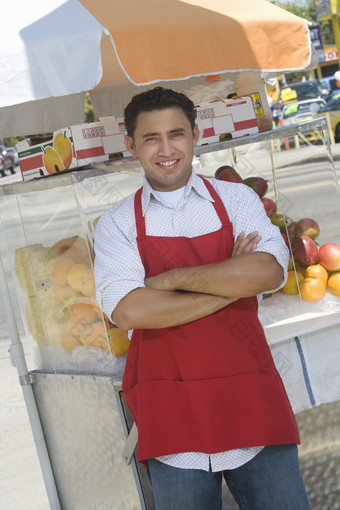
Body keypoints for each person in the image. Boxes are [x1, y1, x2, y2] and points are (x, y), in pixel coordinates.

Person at [94, 87, 310, 510]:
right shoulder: (116, 223)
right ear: (131, 145)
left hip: (250, 394)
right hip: (170, 408)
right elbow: (130, 310)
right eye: (151, 138)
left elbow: (267, 271)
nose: (166, 149)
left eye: (176, 134)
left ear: (195, 134)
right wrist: (231, 282)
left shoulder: (236, 199)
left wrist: (169, 280)